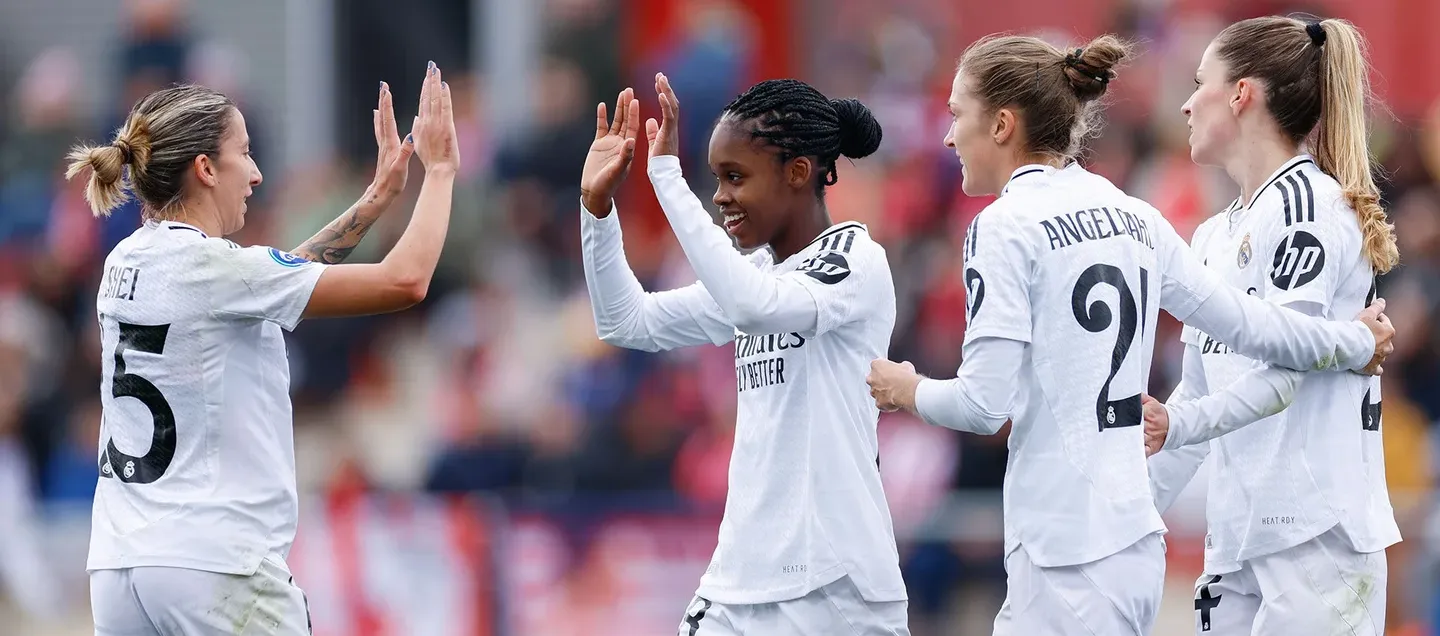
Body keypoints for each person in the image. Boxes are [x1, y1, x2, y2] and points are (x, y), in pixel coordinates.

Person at [861, 33, 1393, 635]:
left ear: (1004, 124)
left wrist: (906, 389)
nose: (949, 135)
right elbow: (1241, 345)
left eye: (958, 115)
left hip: (1287, 528)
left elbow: (985, 404)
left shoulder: (1006, 224)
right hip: (1175, 536)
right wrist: (1143, 504)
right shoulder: (1155, 219)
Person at [70, 61, 459, 635]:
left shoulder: (124, 261)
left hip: (120, 567)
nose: (255, 174)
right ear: (204, 168)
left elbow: (268, 281)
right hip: (215, 565)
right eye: (244, 152)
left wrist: (373, 203)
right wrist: (444, 170)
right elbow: (407, 280)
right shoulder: (213, 268)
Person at [578, 76, 907, 635]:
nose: (720, 196)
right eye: (715, 179)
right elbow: (624, 321)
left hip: (833, 587)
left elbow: (755, 308)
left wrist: (666, 178)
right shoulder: (758, 274)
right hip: (741, 583)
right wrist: (597, 209)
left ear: (798, 173)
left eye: (735, 177)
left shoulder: (854, 259)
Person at [1140, 16, 1400, 635]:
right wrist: (1132, 516)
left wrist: (1179, 423)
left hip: (1316, 534)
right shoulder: (1212, 233)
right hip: (1237, 535)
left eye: (1200, 82)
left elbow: (1281, 375)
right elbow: (1199, 393)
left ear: (1240, 94)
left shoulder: (1309, 209)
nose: (1185, 101)